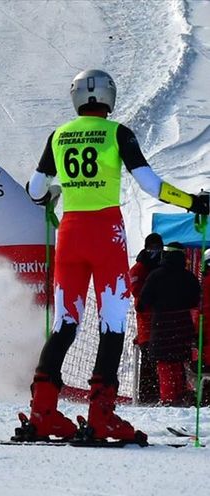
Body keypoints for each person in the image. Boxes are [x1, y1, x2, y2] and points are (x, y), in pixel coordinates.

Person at [22, 69, 209, 442]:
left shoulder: (58, 136)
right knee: (112, 323)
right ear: (109, 97)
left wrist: (54, 194)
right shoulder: (117, 133)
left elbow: (36, 189)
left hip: (70, 234)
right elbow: (151, 185)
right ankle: (101, 415)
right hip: (105, 235)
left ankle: (43, 413)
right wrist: (193, 202)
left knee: (65, 324)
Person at [137, 242, 200, 406]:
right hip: (183, 328)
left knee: (164, 364)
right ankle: (179, 396)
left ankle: (168, 399)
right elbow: (195, 301)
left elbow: (142, 303)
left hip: (161, 328)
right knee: (179, 363)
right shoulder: (190, 278)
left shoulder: (155, 276)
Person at [128, 232, 164, 404]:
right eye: (152, 247)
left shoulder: (161, 266)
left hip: (161, 323)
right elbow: (137, 293)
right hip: (147, 324)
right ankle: (147, 396)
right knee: (148, 362)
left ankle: (158, 394)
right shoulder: (139, 268)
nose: (155, 251)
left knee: (159, 361)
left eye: (158, 247)